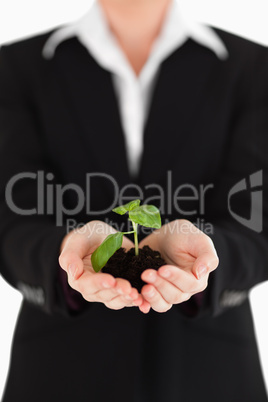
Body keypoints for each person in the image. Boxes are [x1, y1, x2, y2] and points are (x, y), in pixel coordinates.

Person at [0, 0, 267, 401]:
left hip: (210, 374)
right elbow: (12, 219)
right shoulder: (16, 67)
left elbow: (256, 221)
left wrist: (202, 263)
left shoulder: (252, 67)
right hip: (60, 374)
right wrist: (67, 262)